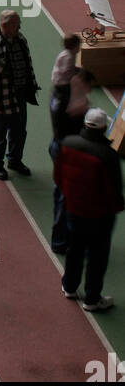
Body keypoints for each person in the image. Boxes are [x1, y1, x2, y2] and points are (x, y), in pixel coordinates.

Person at [55, 107, 123, 311]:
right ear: (103, 129)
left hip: (73, 209)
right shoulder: (108, 155)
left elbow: (58, 176)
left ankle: (69, 286)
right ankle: (92, 298)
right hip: (99, 215)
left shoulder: (67, 144)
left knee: (74, 249)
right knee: (97, 257)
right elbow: (114, 189)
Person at [0, 10, 39, 182]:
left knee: (20, 131)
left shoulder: (21, 39)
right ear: (5, 26)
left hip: (20, 94)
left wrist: (30, 86)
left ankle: (14, 160)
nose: (19, 27)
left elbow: (28, 64)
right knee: (0, 133)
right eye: (16, 24)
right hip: (1, 98)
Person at [50, 35, 93, 254]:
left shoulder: (62, 97)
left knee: (66, 199)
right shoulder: (67, 103)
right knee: (66, 200)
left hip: (64, 148)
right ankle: (61, 242)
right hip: (67, 153)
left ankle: (66, 239)